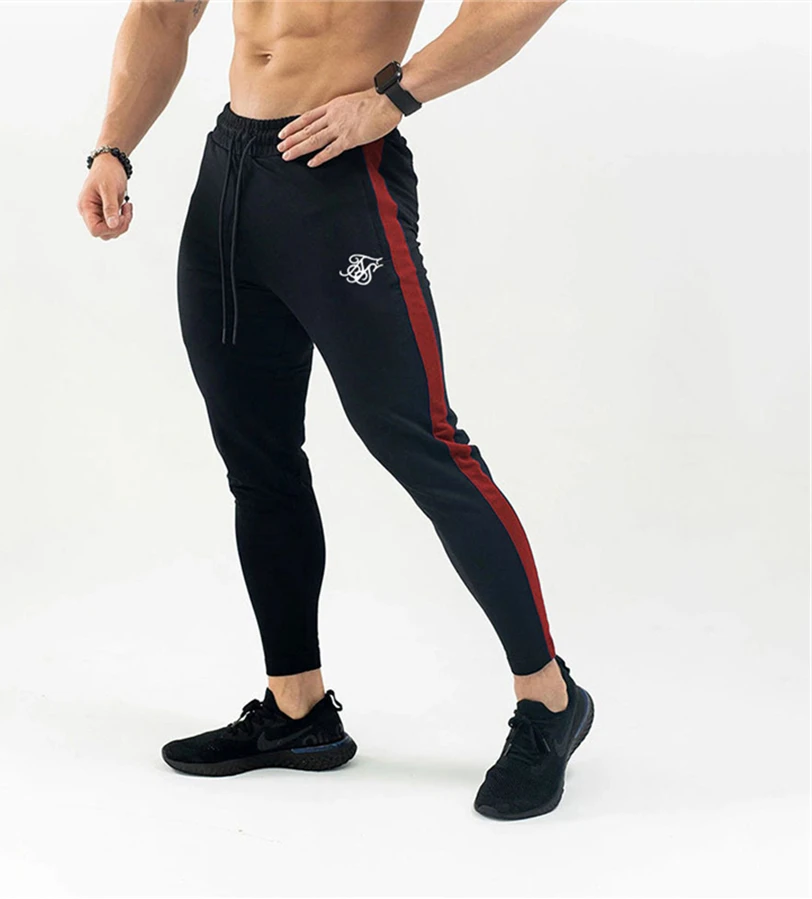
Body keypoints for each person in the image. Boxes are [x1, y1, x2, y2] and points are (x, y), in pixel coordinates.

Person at [77, 0, 594, 820]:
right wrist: (114, 147)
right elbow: (163, 14)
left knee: (425, 446)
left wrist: (395, 97)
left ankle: (549, 700)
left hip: (342, 180)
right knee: (259, 463)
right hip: (230, 183)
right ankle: (298, 712)